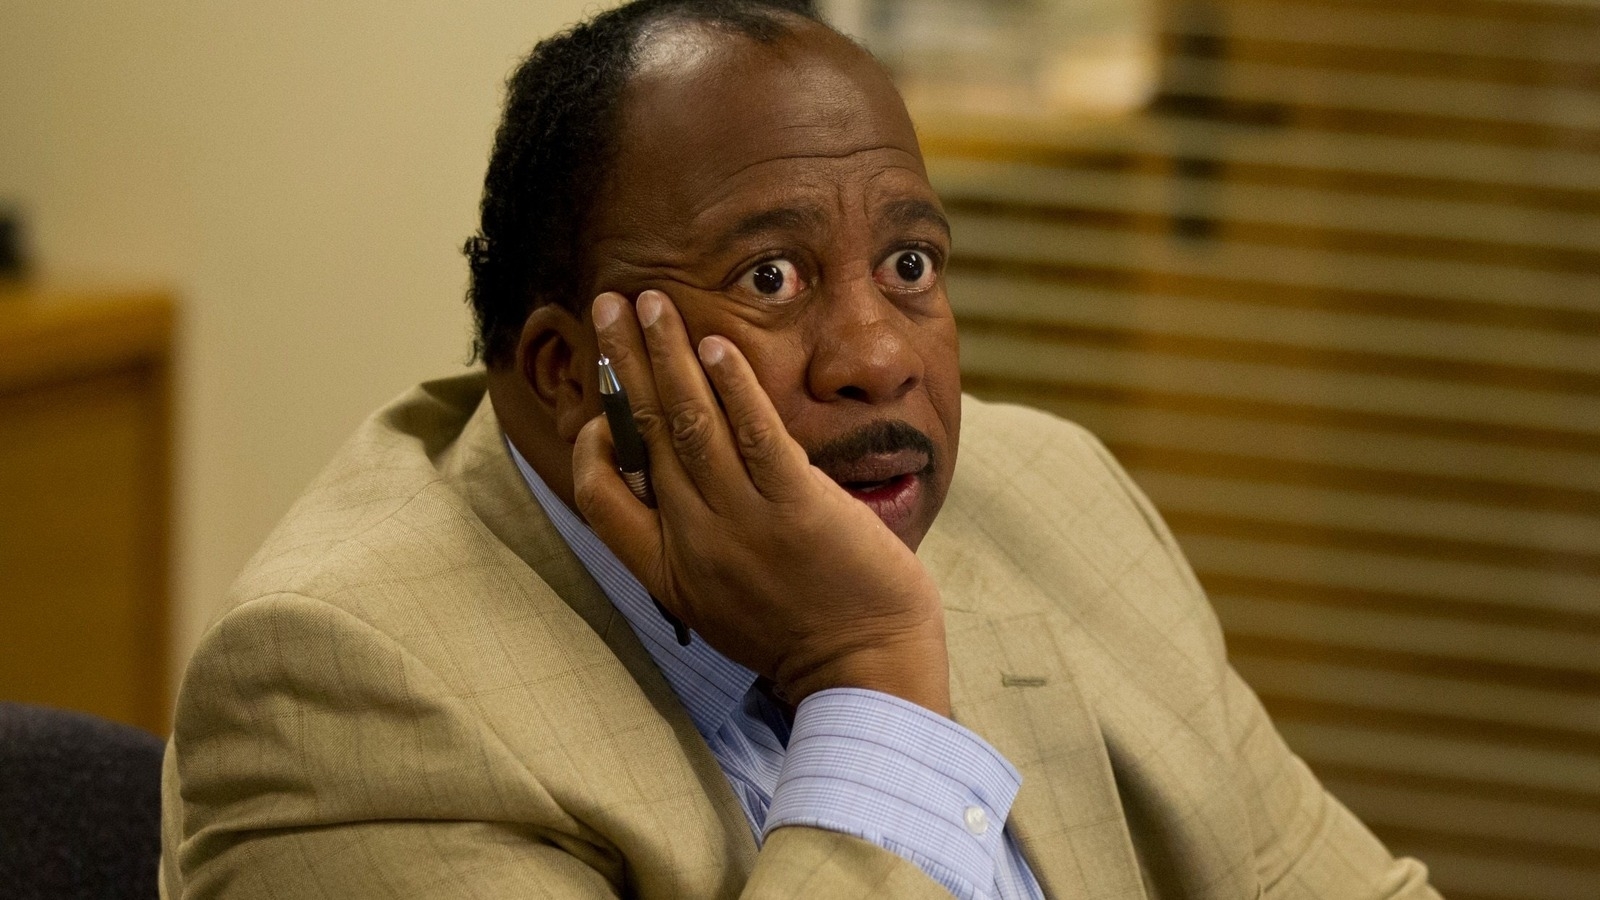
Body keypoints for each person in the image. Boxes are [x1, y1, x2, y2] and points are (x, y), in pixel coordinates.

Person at [159, 1, 1442, 897]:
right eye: (769, 277)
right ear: (566, 373)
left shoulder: (1044, 490)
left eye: (909, 263)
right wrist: (870, 676)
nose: (878, 355)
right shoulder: (345, 695)